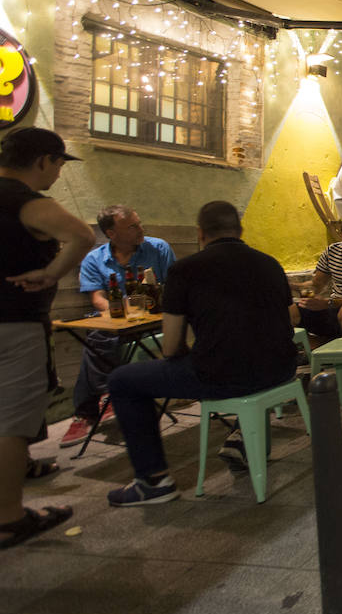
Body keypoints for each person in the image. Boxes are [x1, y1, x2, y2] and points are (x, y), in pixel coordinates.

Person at [105, 201, 297, 506]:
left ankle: (153, 481)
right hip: (282, 368)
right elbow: (292, 317)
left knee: (122, 380)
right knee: (243, 354)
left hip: (224, 376)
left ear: (200, 233)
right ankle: (242, 439)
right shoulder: (269, 263)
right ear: (240, 230)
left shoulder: (185, 270)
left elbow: (170, 346)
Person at [0, 128, 94, 545]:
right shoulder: (25, 201)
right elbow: (82, 236)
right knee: (12, 421)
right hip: (13, 321)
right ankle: (8, 517)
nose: (58, 173)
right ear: (43, 161)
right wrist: (51, 273)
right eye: (58, 164)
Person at [62, 205, 177, 448]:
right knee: (99, 337)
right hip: (116, 323)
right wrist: (120, 311)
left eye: (139, 223)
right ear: (111, 233)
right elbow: (98, 299)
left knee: (97, 342)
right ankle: (109, 396)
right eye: (132, 226)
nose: (141, 229)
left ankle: (90, 409)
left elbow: (174, 289)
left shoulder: (158, 248)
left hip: (154, 322)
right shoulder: (95, 259)